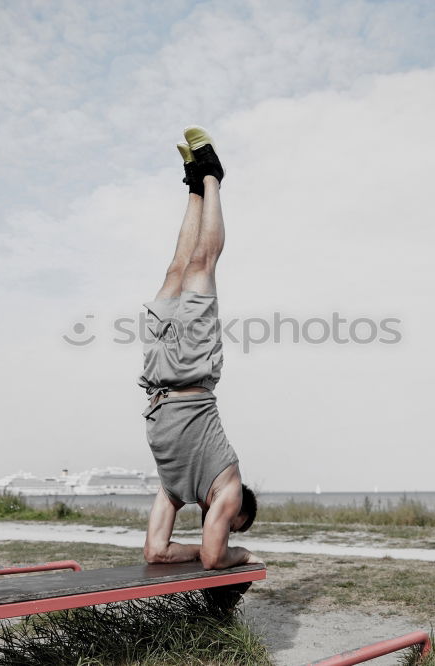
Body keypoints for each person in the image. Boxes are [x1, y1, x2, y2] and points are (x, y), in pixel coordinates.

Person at [139, 126, 262, 570]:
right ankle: (213, 176)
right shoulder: (228, 486)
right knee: (201, 264)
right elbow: (214, 558)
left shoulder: (175, 488)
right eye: (233, 524)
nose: (224, 524)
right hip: (190, 369)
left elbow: (155, 552)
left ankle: (193, 187)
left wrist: (194, 550)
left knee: (176, 267)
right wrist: (241, 553)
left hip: (156, 378)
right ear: (238, 508)